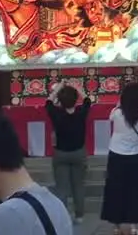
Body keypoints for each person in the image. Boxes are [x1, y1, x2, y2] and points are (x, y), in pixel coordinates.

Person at [101, 82, 138, 234]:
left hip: (116, 155)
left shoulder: (117, 113)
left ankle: (116, 226)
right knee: (135, 191)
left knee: (115, 190)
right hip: (136, 156)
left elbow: (111, 118)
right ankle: (133, 226)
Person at [45, 83, 91, 223]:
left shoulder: (57, 114)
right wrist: (77, 87)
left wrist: (58, 89)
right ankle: (79, 216)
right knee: (78, 185)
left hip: (60, 153)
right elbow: (88, 100)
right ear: (76, 99)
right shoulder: (81, 113)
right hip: (78, 152)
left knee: (62, 188)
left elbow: (48, 102)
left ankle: (63, 215)